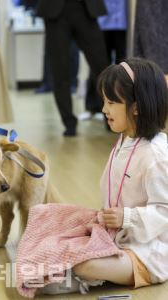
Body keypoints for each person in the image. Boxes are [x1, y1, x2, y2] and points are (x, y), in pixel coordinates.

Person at [36, 58, 168, 295]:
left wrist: (127, 218)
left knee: (86, 264)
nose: (104, 109)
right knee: (49, 219)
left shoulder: (156, 156)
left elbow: (165, 211)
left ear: (136, 107)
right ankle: (77, 272)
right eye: (104, 101)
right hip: (118, 236)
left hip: (149, 253)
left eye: (111, 102)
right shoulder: (125, 139)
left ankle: (84, 275)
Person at [36, 0, 109, 136]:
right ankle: (69, 122)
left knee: (102, 68)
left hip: (86, 8)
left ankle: (112, 117)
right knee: (60, 71)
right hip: (55, 12)